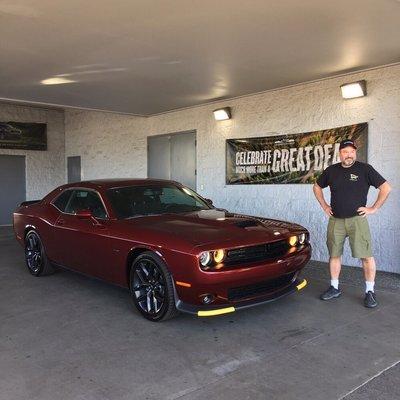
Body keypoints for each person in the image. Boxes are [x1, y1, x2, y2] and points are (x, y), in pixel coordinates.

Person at [313, 139, 391, 308]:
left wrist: (373, 208)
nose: (349, 154)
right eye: (345, 151)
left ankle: (370, 291)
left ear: (355, 152)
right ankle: (334, 287)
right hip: (336, 220)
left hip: (357, 220)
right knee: (334, 254)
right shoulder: (331, 171)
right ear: (339, 153)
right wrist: (325, 205)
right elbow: (317, 187)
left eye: (352, 151)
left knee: (366, 256)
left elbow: (386, 188)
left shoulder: (365, 169)